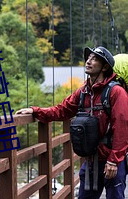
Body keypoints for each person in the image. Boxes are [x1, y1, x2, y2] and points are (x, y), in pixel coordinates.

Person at [16, 46, 128, 199]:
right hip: (91, 160)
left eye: (94, 59)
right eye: (88, 58)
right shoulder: (83, 92)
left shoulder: (116, 92)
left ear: (105, 67)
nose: (88, 61)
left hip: (111, 159)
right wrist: (35, 111)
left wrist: (114, 161)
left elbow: (122, 127)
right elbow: (62, 110)